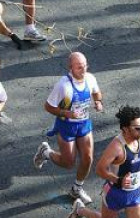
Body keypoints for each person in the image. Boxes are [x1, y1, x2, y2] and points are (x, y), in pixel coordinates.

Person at [68, 105, 140, 218]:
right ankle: (80, 209)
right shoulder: (117, 147)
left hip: (135, 193)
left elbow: (135, 161)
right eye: (137, 128)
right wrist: (118, 180)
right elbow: (100, 169)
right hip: (115, 193)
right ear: (125, 128)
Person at [33, 52, 103, 204]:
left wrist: (98, 102)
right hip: (66, 126)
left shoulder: (90, 79)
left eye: (85, 66)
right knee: (68, 163)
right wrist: (67, 113)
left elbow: (97, 93)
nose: (83, 70)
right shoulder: (63, 86)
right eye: (79, 67)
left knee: (88, 158)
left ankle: (76, 189)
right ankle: (46, 152)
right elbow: (48, 106)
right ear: (70, 68)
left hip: (84, 124)